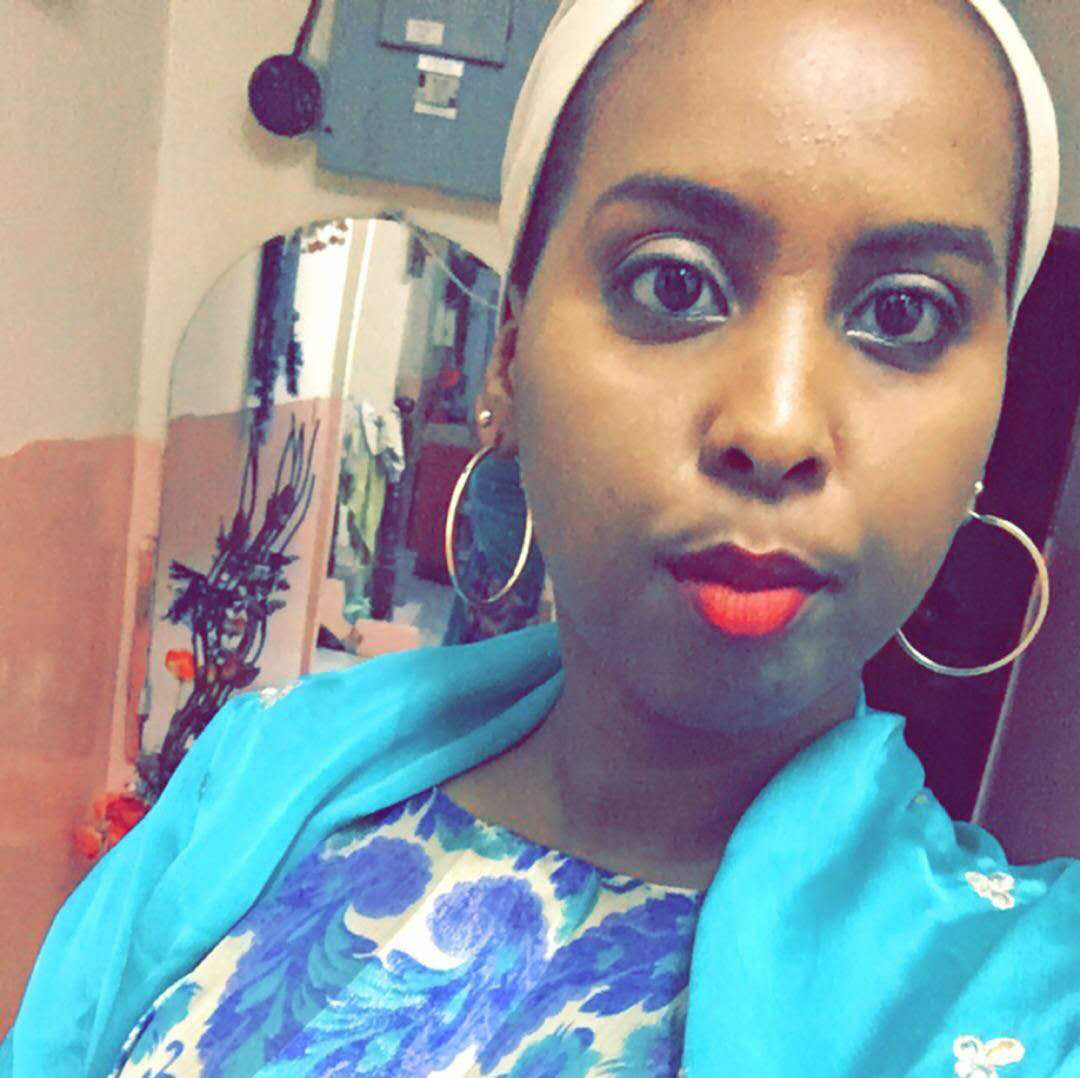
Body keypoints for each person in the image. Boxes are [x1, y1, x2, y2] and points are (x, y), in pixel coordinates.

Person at [2, 0, 1076, 1074]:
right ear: (508, 359)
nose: (776, 426)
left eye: (904, 313)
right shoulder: (255, 778)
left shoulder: (1018, 997)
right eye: (673, 282)